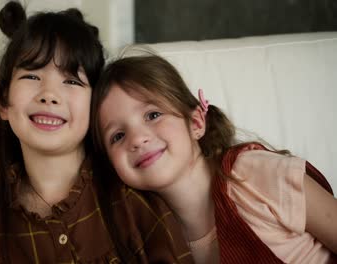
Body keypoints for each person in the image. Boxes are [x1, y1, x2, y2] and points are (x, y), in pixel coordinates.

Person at [0, 3, 194, 263]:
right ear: (3, 101)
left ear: (95, 108)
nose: (49, 94)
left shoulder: (132, 198)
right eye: (32, 76)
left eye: (71, 81)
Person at [91, 54, 337, 264]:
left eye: (153, 114)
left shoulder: (255, 174)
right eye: (118, 136)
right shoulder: (146, 235)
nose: (136, 139)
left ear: (196, 122)